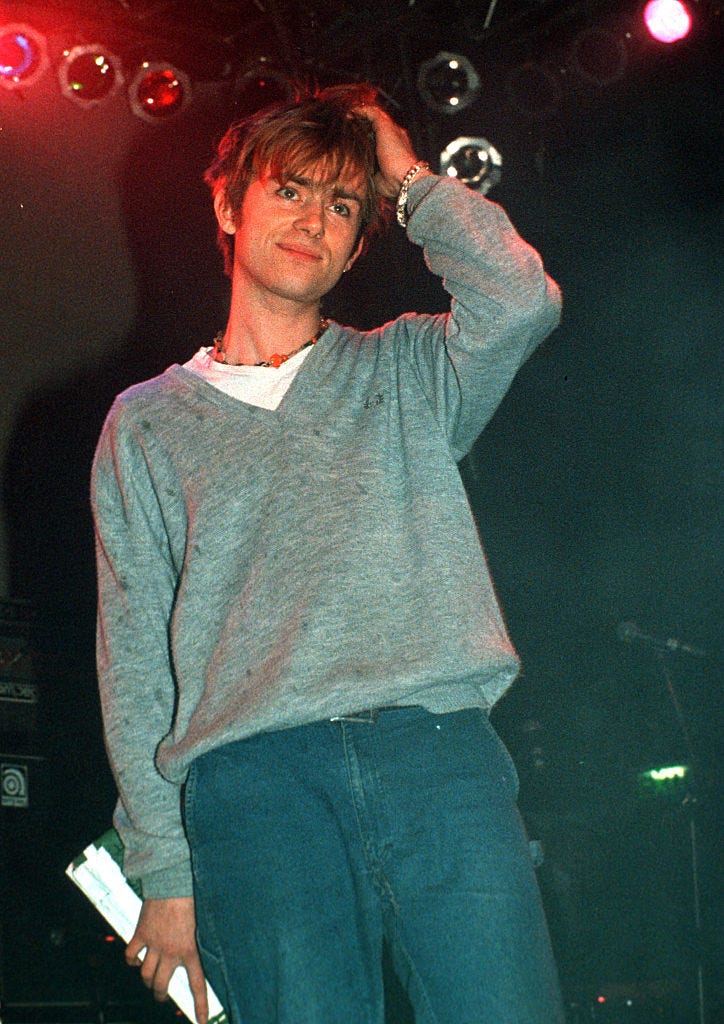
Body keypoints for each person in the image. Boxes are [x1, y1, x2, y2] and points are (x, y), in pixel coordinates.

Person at [92, 83, 564, 1024]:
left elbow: (519, 302)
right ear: (230, 206)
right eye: (291, 190)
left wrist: (403, 173)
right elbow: (135, 654)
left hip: (436, 760)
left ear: (358, 242)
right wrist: (164, 870)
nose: (314, 219)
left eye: (342, 205)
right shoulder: (145, 424)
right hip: (255, 790)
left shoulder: (407, 370)